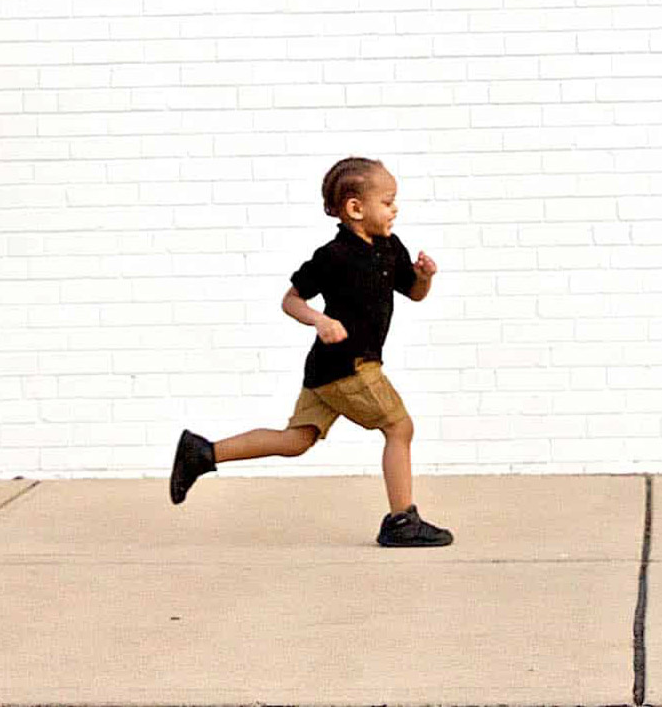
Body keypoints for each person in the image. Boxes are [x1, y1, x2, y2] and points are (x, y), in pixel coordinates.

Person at [169, 157, 452, 547]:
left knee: (297, 440)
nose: (395, 209)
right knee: (399, 428)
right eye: (387, 202)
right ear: (356, 209)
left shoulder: (390, 247)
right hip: (351, 366)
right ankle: (402, 520)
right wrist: (318, 320)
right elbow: (291, 300)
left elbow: (414, 295)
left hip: (326, 372)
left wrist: (424, 277)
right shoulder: (333, 256)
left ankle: (203, 453)